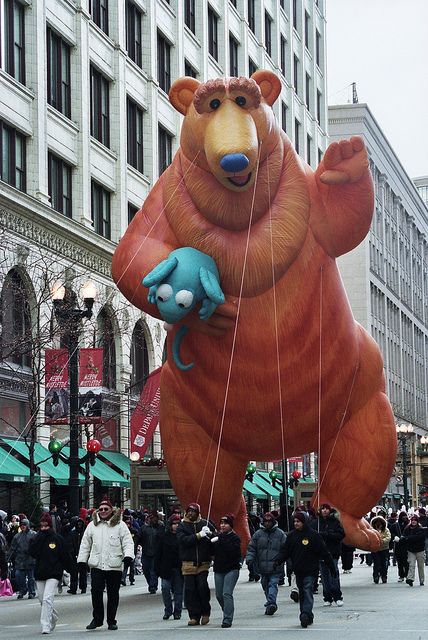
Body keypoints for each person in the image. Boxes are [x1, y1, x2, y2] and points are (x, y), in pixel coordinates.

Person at [77, 497, 135, 631]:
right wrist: (81, 560)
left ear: (111, 510)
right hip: (97, 564)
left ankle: (111, 620)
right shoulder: (92, 525)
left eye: (106, 509)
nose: (103, 511)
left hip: (114, 564)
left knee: (113, 594)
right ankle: (97, 619)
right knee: (96, 591)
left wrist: (128, 556)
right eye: (101, 509)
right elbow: (85, 544)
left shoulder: (120, 525)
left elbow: (127, 542)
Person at [277, 511, 336, 628]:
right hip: (298, 569)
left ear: (304, 522)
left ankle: (305, 613)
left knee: (308, 589)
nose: (296, 523)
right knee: (302, 593)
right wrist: (278, 561)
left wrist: (332, 567)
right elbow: (285, 551)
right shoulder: (291, 536)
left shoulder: (313, 535)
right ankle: (307, 614)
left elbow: (324, 552)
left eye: (298, 521)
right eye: (294, 521)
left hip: (311, 569)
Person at [29, 513, 72, 635]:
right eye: (41, 526)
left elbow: (65, 556)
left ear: (50, 526)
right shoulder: (37, 538)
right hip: (40, 572)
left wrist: (71, 570)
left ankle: (45, 625)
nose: (43, 529)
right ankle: (52, 616)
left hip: (54, 573)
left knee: (48, 598)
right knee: (42, 600)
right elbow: (31, 552)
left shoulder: (57, 539)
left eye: (46, 526)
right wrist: (38, 539)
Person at [176, 502, 215, 626]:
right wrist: (198, 535)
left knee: (202, 587)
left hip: (203, 562)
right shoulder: (182, 526)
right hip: (188, 563)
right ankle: (194, 615)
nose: (190, 513)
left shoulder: (205, 523)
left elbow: (215, 538)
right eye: (189, 511)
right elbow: (183, 541)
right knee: (190, 590)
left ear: (198, 513)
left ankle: (205, 613)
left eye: (193, 511)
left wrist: (210, 534)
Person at [246, 511, 286, 616]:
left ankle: (272, 602)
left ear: (273, 522)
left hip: (275, 565)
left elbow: (285, 549)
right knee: (265, 585)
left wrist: (284, 560)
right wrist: (249, 558)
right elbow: (252, 548)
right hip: (262, 566)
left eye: (269, 521)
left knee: (273, 584)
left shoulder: (280, 534)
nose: (267, 523)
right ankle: (270, 603)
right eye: (266, 521)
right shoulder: (258, 534)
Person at [311, 503, 345, 606]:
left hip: (332, 552)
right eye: (323, 509)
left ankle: (337, 596)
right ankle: (327, 597)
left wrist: (328, 534)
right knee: (324, 576)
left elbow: (341, 535)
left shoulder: (335, 522)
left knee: (334, 574)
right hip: (321, 553)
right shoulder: (316, 523)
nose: (324, 511)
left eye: (326, 509)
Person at [211, 514, 241, 628]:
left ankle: (227, 618)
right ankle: (227, 609)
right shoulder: (217, 537)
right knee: (219, 595)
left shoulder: (235, 538)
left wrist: (221, 540)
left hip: (231, 569)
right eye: (221, 523)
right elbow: (212, 551)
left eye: (225, 523)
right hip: (219, 569)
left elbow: (234, 553)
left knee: (226, 593)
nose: (223, 526)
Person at [155, 513, 183, 620]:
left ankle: (177, 611)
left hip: (179, 568)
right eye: (174, 523)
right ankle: (168, 610)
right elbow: (158, 553)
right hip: (166, 568)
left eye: (178, 523)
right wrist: (157, 569)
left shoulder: (182, 537)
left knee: (178, 592)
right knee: (165, 589)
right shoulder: (164, 537)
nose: (176, 526)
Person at [6, 517, 37, 599]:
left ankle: (32, 592)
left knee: (31, 578)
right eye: (21, 525)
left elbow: (38, 546)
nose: (23, 526)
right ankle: (23, 590)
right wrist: (7, 559)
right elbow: (12, 549)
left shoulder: (34, 534)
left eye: (24, 525)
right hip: (20, 560)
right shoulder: (17, 537)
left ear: (28, 525)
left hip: (31, 559)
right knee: (19, 576)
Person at [139, 509, 164, 594]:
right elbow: (139, 539)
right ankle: (150, 583)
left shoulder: (160, 527)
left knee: (153, 570)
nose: (153, 519)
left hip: (156, 553)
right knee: (146, 569)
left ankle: (153, 586)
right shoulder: (143, 528)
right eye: (152, 518)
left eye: (155, 518)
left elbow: (162, 539)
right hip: (146, 552)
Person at [403, 513, 425, 587]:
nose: (414, 521)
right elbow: (404, 537)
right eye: (412, 520)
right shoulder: (407, 529)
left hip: (420, 550)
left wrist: (409, 538)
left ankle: (421, 580)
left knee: (420, 566)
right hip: (411, 550)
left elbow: (419, 538)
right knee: (411, 565)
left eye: (415, 520)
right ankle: (410, 579)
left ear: (417, 521)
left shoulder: (421, 529)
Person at [370, 514, 391, 583]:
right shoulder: (372, 530)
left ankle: (384, 576)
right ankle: (376, 576)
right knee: (376, 563)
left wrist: (382, 541)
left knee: (383, 564)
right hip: (375, 549)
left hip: (384, 548)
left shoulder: (386, 530)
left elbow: (388, 537)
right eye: (377, 522)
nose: (378, 524)